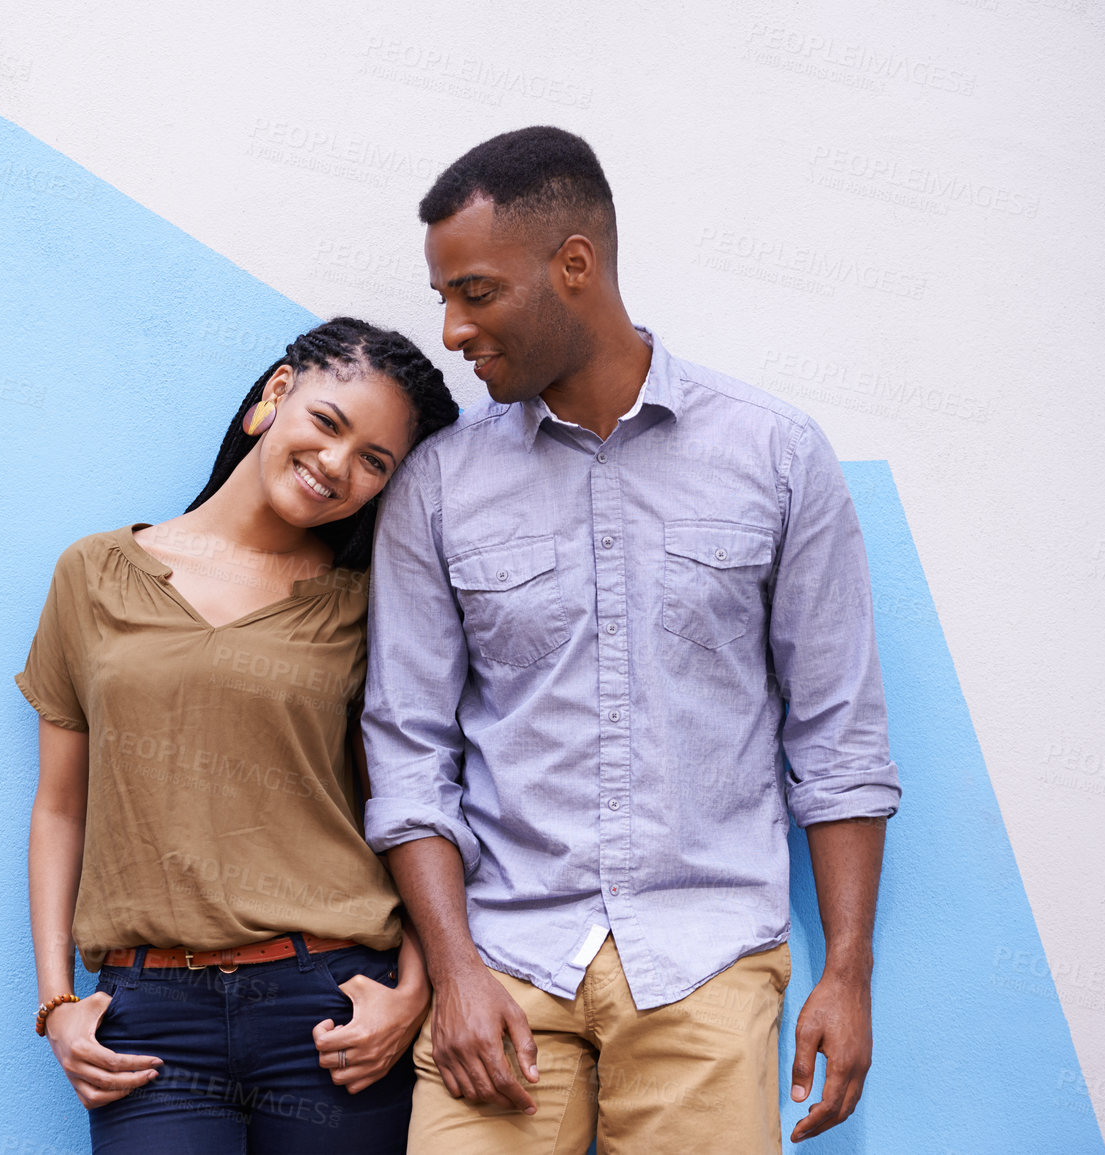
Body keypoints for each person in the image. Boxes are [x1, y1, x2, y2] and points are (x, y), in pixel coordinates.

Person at [362, 126, 902, 1153]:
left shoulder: (775, 458)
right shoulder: (438, 486)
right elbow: (407, 749)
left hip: (706, 958)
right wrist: (457, 973)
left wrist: (847, 971)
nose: (451, 329)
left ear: (575, 265)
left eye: (475, 292)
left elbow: (839, 740)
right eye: (444, 298)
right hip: (503, 965)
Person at [18, 317, 460, 1154]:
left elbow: (408, 802)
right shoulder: (95, 573)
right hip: (149, 1021)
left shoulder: (367, 606)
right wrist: (55, 1001)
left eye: (375, 461)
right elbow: (59, 808)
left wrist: (413, 987)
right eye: (328, 423)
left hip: (330, 1007)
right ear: (276, 394)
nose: (338, 465)